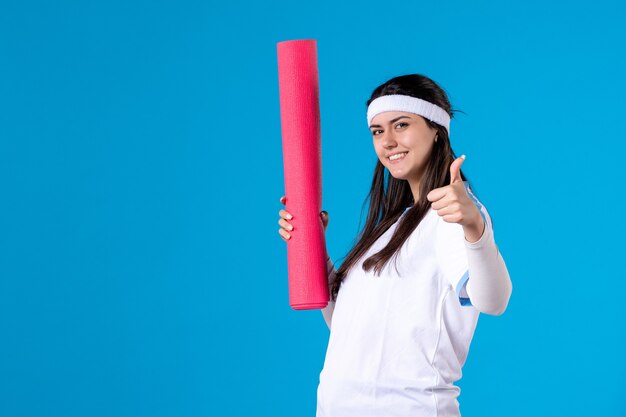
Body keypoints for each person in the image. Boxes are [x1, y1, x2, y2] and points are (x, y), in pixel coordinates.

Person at [277, 74, 512, 417]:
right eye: (377, 131)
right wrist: (312, 244)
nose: (388, 141)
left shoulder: (449, 216)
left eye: (401, 125)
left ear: (436, 130)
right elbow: (346, 325)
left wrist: (475, 227)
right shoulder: (391, 227)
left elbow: (494, 301)